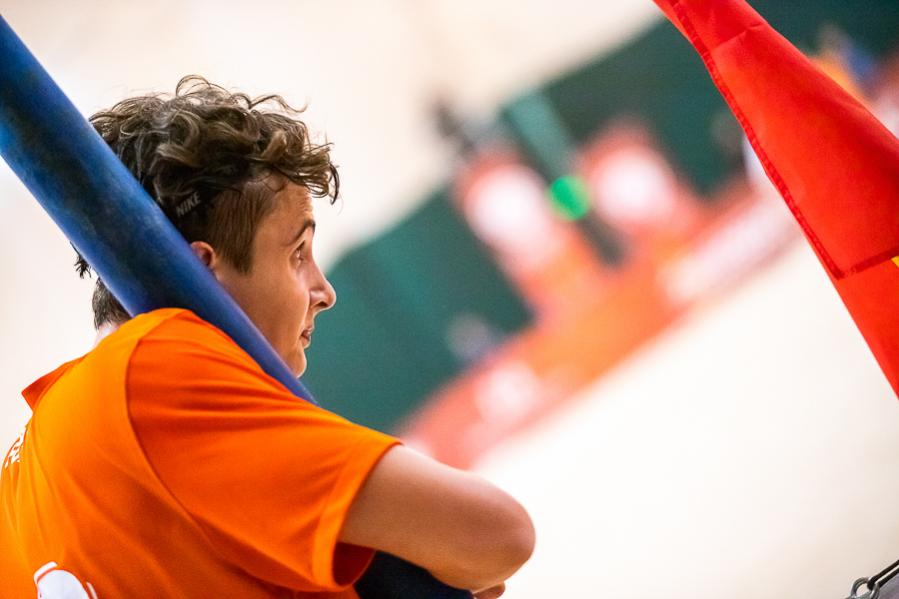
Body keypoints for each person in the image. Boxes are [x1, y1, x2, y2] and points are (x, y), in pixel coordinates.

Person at [0, 76, 534, 599]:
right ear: (204, 271)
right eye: (297, 253)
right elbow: (495, 533)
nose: (324, 292)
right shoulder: (150, 370)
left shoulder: (18, 488)